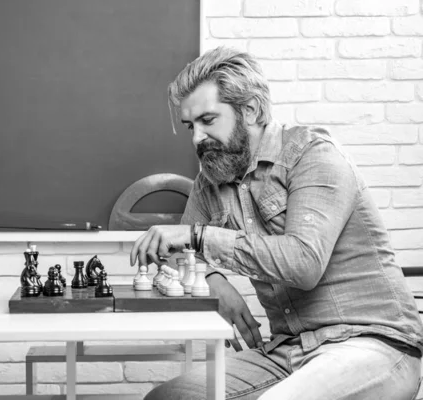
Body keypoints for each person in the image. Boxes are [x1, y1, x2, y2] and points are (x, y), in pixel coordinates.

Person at [130, 46, 423, 400]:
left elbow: (303, 263)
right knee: (169, 398)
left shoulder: (313, 155)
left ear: (250, 110)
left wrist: (199, 236)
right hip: (286, 350)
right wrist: (213, 280)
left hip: (370, 344)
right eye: (190, 125)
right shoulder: (211, 180)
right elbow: (179, 249)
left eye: (208, 121)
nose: (196, 138)